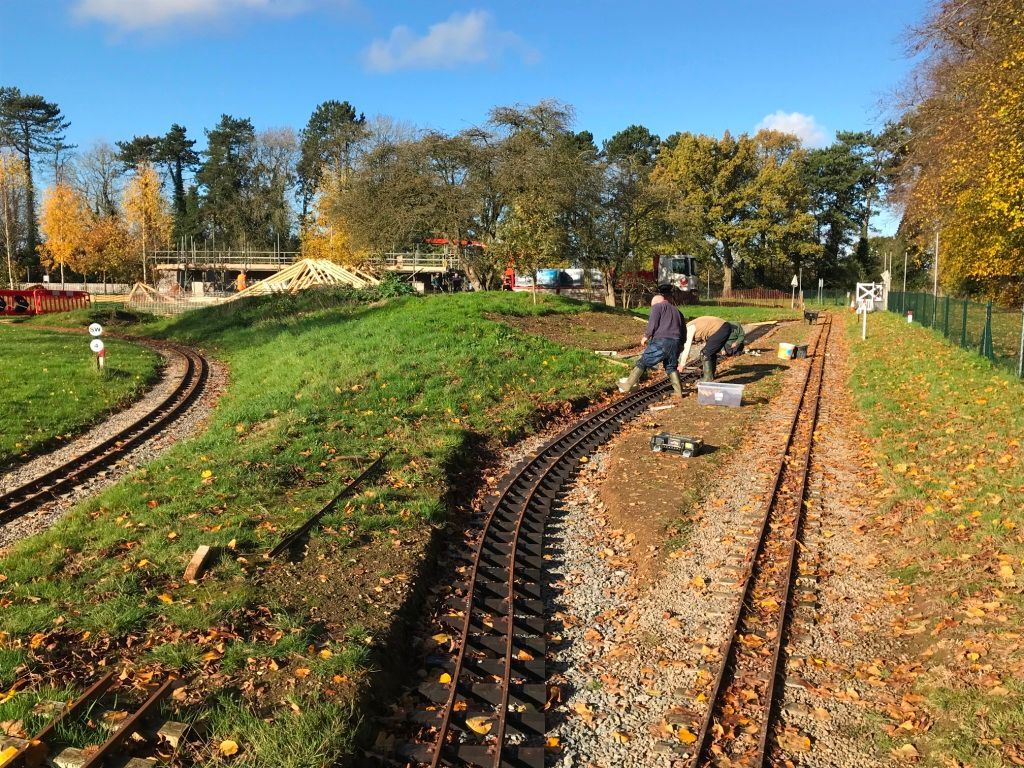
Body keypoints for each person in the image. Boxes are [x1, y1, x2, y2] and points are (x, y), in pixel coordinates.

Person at [618, 295, 685, 398]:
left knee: (643, 361)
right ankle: (678, 392)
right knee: (671, 367)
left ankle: (628, 385)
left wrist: (646, 336)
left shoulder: (657, 307)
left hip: (661, 341)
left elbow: (653, 323)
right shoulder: (677, 311)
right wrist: (681, 344)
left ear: (656, 302)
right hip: (676, 342)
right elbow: (684, 330)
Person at [678, 316, 746, 381]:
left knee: (705, 353)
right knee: (710, 352)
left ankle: (708, 378)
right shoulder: (688, 326)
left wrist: (682, 365)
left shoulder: (688, 330)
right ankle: (711, 375)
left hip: (721, 328)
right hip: (724, 327)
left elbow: (686, 347)